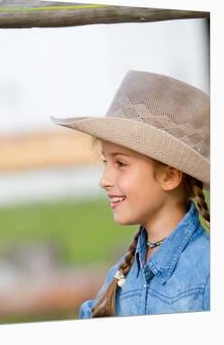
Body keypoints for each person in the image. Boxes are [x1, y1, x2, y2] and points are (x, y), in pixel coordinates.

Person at [51, 70, 210, 317]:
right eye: (106, 162)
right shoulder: (119, 278)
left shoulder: (209, 269)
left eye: (121, 164)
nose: (104, 180)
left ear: (170, 176)